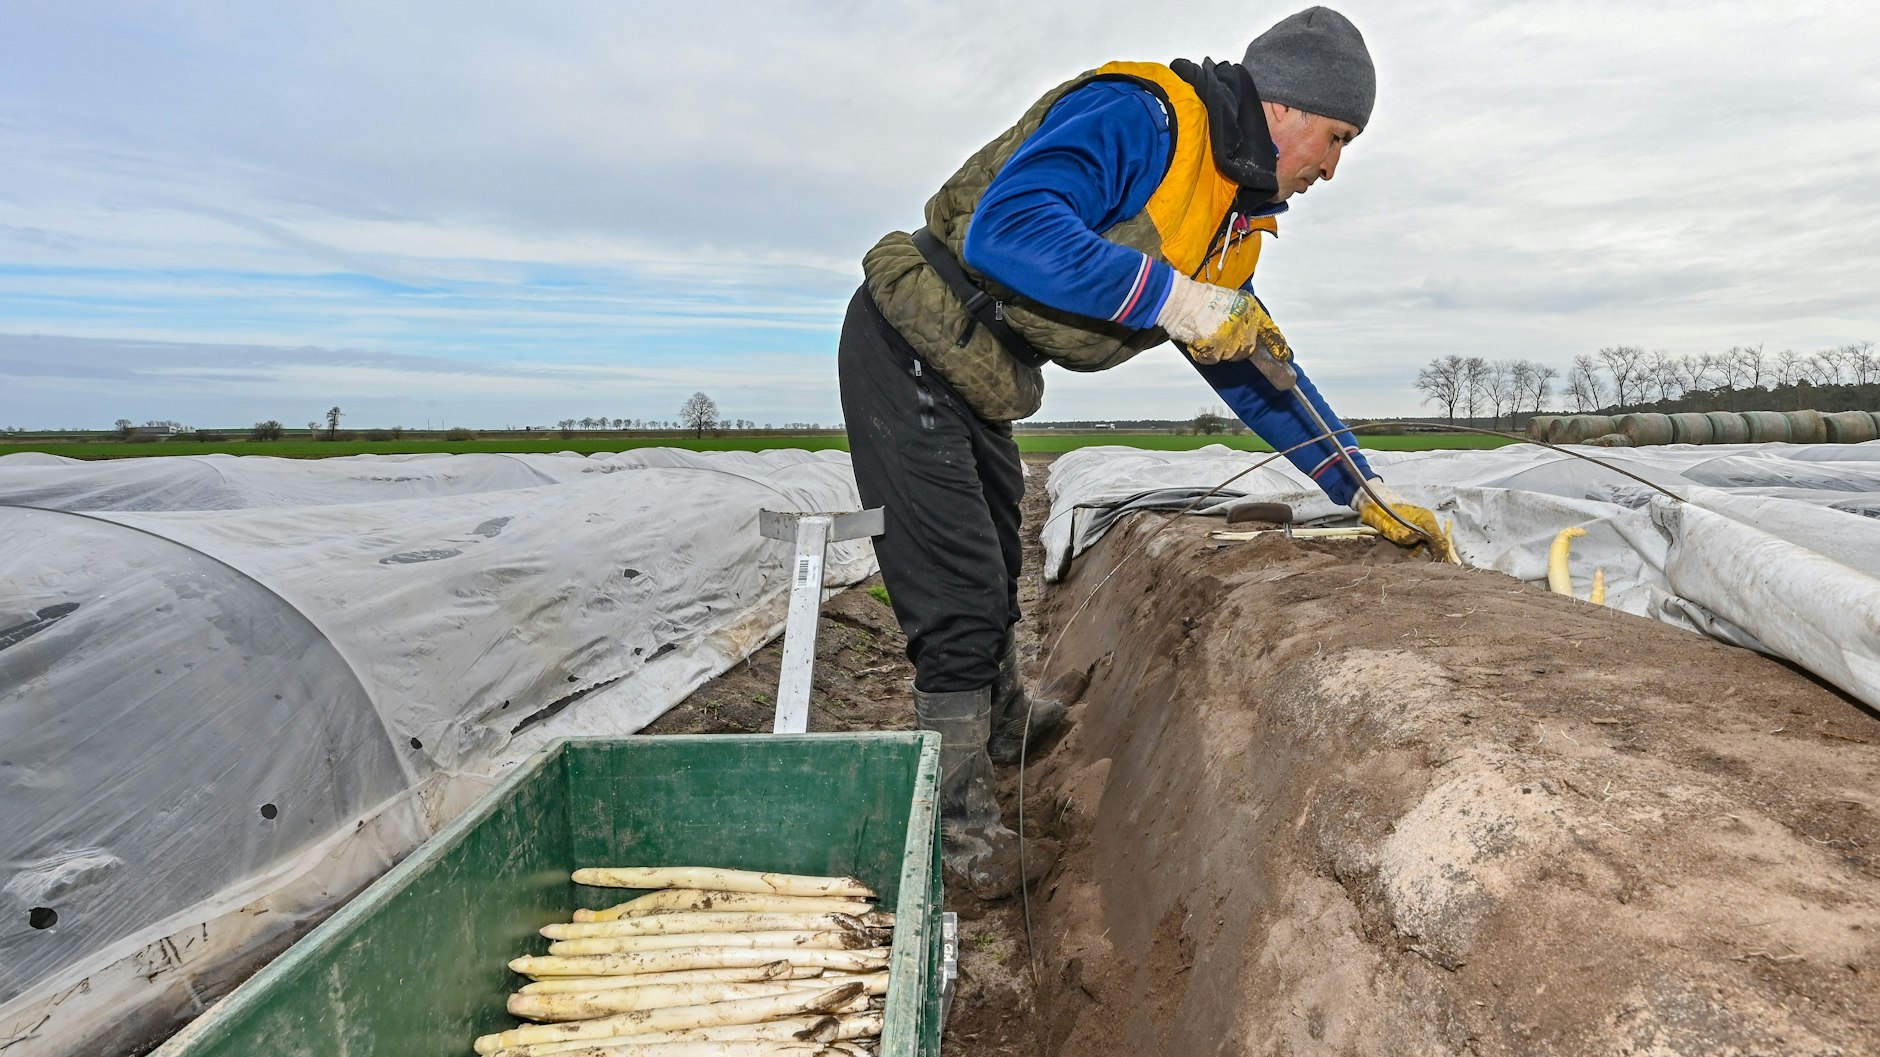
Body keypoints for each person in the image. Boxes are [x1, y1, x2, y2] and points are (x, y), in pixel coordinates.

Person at [837, 7, 1447, 898]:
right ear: (1284, 107)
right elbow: (1009, 227)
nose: (1332, 167)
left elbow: (1256, 370)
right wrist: (1178, 300)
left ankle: (1002, 723)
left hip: (979, 368)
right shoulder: (1148, 118)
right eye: (1337, 138)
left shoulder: (1230, 217)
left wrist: (1364, 486)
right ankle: (956, 834)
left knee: (997, 555)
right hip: (909, 341)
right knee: (955, 591)